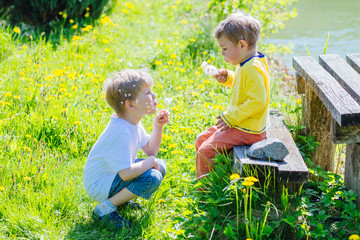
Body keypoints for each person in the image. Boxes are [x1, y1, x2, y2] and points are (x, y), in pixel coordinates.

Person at [83, 69, 170, 228]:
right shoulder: (120, 131)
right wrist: (151, 162)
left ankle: (120, 200)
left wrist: (158, 126)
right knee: (152, 177)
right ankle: (105, 209)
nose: (154, 96)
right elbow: (126, 174)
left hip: (113, 176)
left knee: (160, 165)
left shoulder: (132, 121)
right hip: (100, 184)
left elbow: (151, 151)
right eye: (148, 93)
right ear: (130, 105)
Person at [196, 11, 270, 179]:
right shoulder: (247, 62)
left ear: (242, 45)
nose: (223, 54)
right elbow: (241, 82)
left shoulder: (252, 68)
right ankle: (220, 173)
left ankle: (205, 190)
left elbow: (258, 101)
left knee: (205, 151)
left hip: (248, 129)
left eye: (225, 49)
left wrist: (232, 117)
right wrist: (228, 77)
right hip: (242, 123)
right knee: (202, 139)